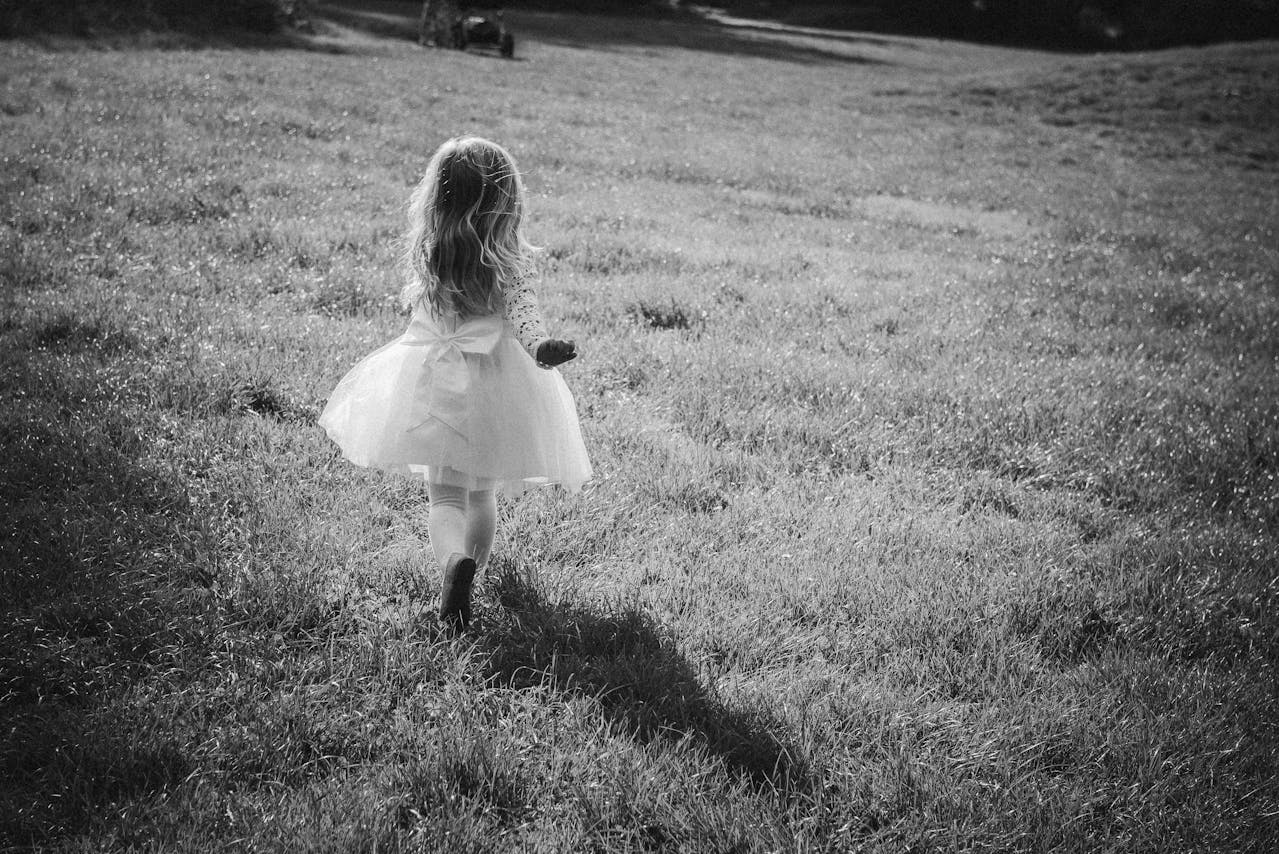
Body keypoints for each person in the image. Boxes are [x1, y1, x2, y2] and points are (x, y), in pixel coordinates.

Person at [319, 137, 591, 630]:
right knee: (481, 493)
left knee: (444, 498)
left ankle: (451, 566)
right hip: (493, 389)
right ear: (508, 204)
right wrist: (541, 347)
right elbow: (525, 317)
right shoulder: (510, 262)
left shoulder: (432, 253)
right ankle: (474, 574)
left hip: (435, 385)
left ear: (438, 200)